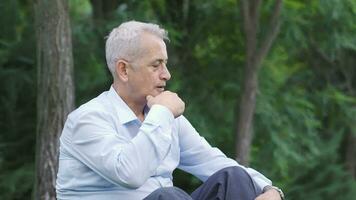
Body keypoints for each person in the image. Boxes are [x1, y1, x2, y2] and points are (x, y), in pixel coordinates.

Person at [56, 20, 284, 200]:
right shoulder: (87, 120)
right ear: (124, 70)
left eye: (165, 64)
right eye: (156, 65)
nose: (167, 74)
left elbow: (212, 160)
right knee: (168, 196)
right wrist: (162, 113)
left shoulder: (164, 116)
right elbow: (130, 173)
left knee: (233, 179)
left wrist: (268, 188)